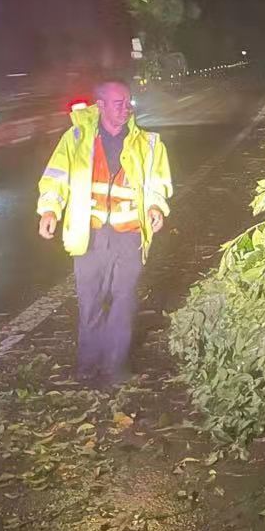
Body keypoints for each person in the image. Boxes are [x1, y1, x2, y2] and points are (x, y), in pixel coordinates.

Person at [36, 79, 172, 386]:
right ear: (100, 106)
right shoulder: (76, 138)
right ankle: (88, 366)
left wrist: (155, 207)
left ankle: (115, 367)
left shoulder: (148, 143)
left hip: (130, 234)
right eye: (118, 103)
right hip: (90, 234)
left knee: (124, 300)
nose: (126, 108)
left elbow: (157, 182)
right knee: (90, 301)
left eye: (128, 102)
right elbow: (55, 178)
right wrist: (49, 210)